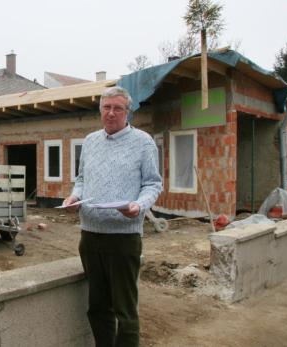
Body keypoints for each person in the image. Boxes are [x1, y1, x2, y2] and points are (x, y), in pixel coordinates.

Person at [63, 86, 162, 347]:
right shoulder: (90, 141)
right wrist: (74, 197)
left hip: (123, 237)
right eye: (106, 107)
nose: (111, 113)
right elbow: (82, 179)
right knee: (97, 308)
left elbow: (153, 184)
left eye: (117, 108)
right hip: (90, 236)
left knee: (125, 312)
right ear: (100, 111)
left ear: (128, 112)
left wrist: (138, 207)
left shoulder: (143, 142)